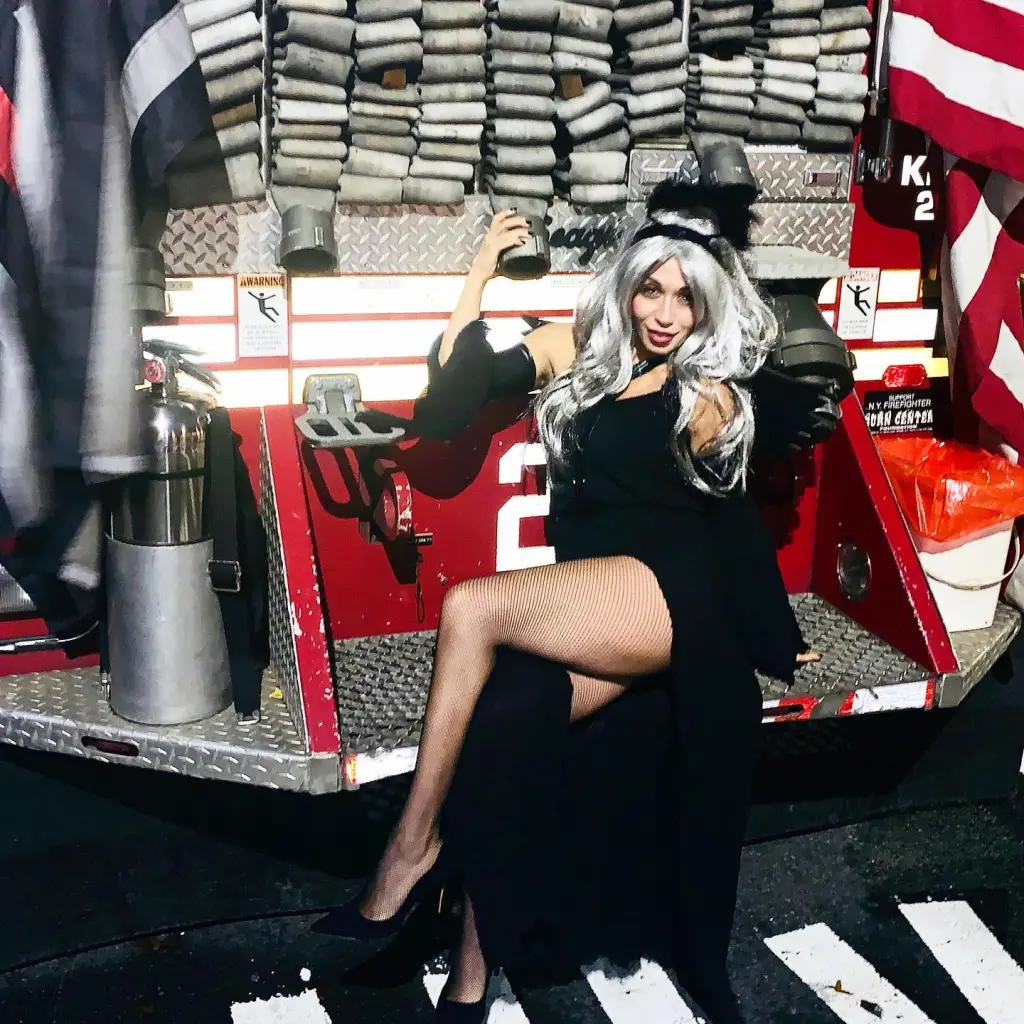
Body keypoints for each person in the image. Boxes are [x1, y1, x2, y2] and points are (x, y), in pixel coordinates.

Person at [316, 179, 833, 1023]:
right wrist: (478, 277)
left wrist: (775, 633)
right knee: (505, 718)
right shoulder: (575, 350)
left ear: (707, 309)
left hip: (670, 599)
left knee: (471, 607)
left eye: (686, 298)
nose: (666, 313)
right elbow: (448, 404)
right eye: (652, 289)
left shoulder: (705, 394)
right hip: (590, 607)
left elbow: (730, 520)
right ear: (627, 285)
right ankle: (474, 970)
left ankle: (409, 851)